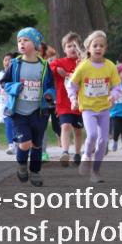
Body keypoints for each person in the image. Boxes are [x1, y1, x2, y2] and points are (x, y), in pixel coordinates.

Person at [0, 28, 56, 187]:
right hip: (18, 111)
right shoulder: (15, 64)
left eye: (26, 40)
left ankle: (35, 171)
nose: (22, 43)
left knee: (36, 144)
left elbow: (51, 86)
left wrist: (49, 94)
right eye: (19, 41)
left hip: (39, 112)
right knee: (24, 144)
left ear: (36, 45)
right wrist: (14, 87)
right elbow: (4, 83)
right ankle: (22, 164)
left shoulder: (44, 66)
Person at [68, 30, 122, 183]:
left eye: (101, 46)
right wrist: (73, 99)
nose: (98, 48)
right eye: (95, 45)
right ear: (89, 48)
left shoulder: (110, 66)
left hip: (104, 108)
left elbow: (117, 86)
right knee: (92, 135)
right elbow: (71, 85)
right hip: (88, 108)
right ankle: (86, 156)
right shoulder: (83, 67)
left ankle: (96, 171)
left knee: (102, 141)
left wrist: (113, 95)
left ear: (105, 49)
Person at [50, 33, 85, 167]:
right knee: (65, 126)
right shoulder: (59, 62)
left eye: (75, 46)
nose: (72, 49)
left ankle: (77, 153)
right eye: (68, 46)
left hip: (80, 102)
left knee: (77, 130)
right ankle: (65, 152)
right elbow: (49, 68)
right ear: (64, 49)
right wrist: (57, 70)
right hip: (63, 103)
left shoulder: (82, 63)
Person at [0, 53, 16, 154]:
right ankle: (10, 145)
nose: (7, 62)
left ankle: (18, 144)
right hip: (3, 104)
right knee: (8, 123)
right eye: (5, 60)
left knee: (15, 124)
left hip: (14, 103)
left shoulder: (15, 73)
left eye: (9, 60)